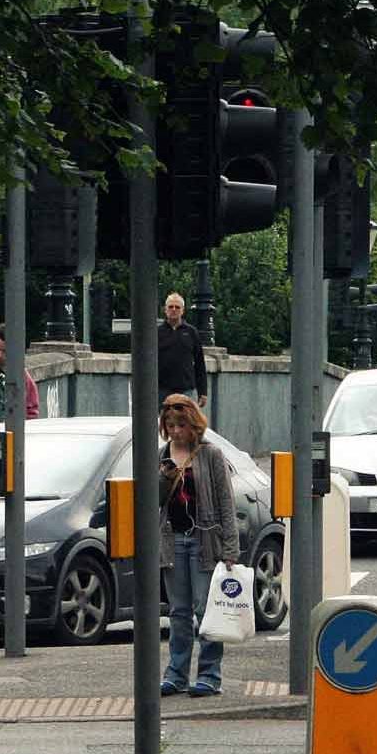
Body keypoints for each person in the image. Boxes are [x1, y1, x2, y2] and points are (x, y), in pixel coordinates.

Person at [157, 394, 240, 698]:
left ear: (193, 424)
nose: (176, 431)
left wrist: (230, 548)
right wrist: (164, 477)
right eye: (170, 425)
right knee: (178, 612)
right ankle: (175, 674)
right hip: (172, 541)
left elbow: (226, 504)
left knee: (207, 610)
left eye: (181, 424)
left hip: (205, 541)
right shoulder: (162, 455)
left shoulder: (211, 455)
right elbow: (152, 502)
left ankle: (209, 675)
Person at [157, 292, 209, 410]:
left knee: (186, 424)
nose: (174, 310)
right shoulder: (157, 333)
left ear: (182, 310)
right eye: (170, 307)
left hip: (186, 390)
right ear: (165, 310)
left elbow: (199, 363)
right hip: (162, 390)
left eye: (177, 307)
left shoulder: (191, 332)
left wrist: (203, 391)